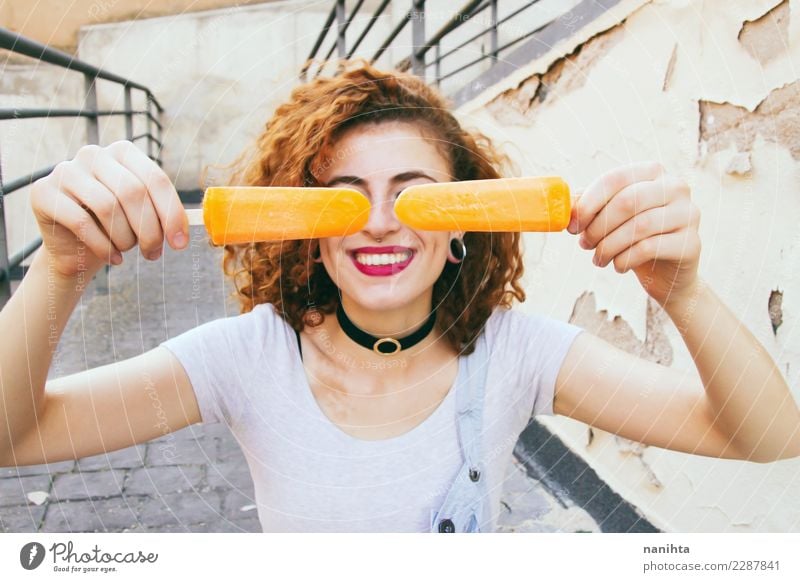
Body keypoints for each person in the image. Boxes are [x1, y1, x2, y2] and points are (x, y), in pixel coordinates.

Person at [1, 61, 798, 533]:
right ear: (307, 230)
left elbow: (767, 437)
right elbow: (12, 438)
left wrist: (682, 292)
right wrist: (59, 271)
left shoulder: (516, 352)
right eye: (343, 198)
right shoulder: (245, 359)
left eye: (415, 195)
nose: (379, 223)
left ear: (465, 223)